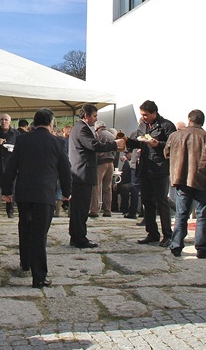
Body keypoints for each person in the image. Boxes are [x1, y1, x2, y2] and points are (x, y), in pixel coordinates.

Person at [1, 108, 72, 288]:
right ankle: (39, 276)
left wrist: (7, 189)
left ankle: (25, 263)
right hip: (44, 193)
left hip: (24, 192)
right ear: (51, 123)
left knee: (25, 226)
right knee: (40, 234)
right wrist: (67, 192)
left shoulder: (22, 139)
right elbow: (65, 168)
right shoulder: (57, 142)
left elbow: (12, 165)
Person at [165, 110, 206, 259]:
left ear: (189, 120)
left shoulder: (175, 136)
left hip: (182, 178)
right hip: (203, 179)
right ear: (202, 121)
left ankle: (176, 245)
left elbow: (167, 153)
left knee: (181, 214)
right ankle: (202, 248)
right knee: (203, 215)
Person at [68, 104, 124, 249]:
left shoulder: (79, 128)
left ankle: (76, 236)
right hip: (82, 173)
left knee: (77, 208)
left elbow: (88, 148)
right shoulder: (82, 129)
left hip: (80, 172)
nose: (95, 119)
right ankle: (80, 237)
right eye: (94, 116)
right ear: (86, 115)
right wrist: (114, 144)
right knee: (81, 208)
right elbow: (94, 145)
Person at [126, 101, 176, 247]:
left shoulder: (166, 126)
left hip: (160, 169)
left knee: (161, 202)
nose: (143, 117)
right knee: (147, 201)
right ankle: (152, 233)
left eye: (145, 115)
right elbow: (138, 142)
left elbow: (172, 145)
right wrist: (127, 141)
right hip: (145, 167)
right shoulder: (142, 126)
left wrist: (158, 144)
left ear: (154, 113)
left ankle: (168, 235)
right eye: (142, 115)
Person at [91, 121, 116, 217]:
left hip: (101, 163)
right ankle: (107, 210)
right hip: (111, 162)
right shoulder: (111, 135)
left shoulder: (97, 134)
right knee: (108, 188)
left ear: (97, 127)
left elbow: (94, 147)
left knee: (96, 187)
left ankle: (94, 210)